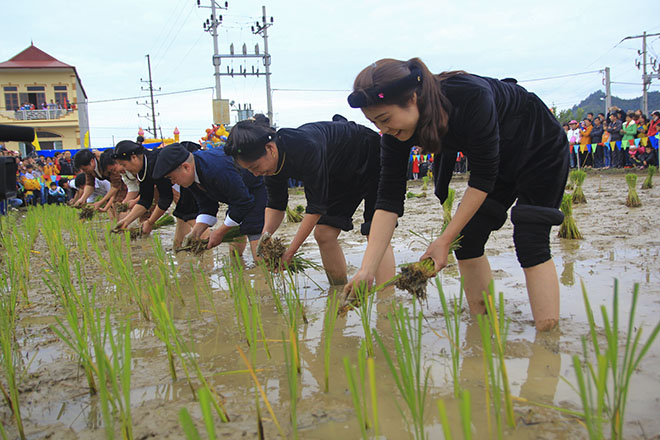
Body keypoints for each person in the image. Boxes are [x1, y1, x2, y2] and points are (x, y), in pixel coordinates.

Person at [344, 57, 569, 332]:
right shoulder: (394, 135)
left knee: (530, 237)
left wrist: (444, 240)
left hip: (538, 143)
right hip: (495, 157)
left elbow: (483, 179)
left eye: (385, 119)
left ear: (413, 98)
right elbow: (387, 201)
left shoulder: (470, 95)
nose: (384, 130)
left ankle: (548, 340)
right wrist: (367, 270)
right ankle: (483, 329)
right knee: (468, 239)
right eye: (375, 123)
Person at [224, 118, 395, 285]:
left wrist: (290, 253)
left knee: (375, 231)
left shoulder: (304, 145)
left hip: (369, 154)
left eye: (255, 167)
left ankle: (387, 301)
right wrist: (265, 235)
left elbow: (315, 208)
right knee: (324, 234)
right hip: (337, 174)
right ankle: (338, 291)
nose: (255, 174)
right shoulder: (272, 166)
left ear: (270, 149)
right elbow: (276, 205)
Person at [152, 142, 266, 260]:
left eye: (172, 177)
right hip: (238, 195)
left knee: (253, 229)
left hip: (256, 188)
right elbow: (207, 205)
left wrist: (220, 232)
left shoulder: (216, 169)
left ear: (186, 167)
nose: (173, 182)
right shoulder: (192, 177)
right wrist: (195, 232)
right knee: (236, 234)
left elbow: (243, 202)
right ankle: (239, 268)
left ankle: (263, 273)